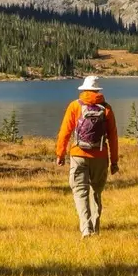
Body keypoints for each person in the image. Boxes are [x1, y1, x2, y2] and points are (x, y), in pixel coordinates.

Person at [55, 75, 120, 236]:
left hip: (78, 155)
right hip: (100, 156)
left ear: (83, 90)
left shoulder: (75, 106)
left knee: (80, 191)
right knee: (96, 193)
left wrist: (60, 153)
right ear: (98, 90)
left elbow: (65, 132)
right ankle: (95, 229)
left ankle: (86, 228)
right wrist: (114, 161)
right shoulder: (106, 108)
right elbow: (113, 137)